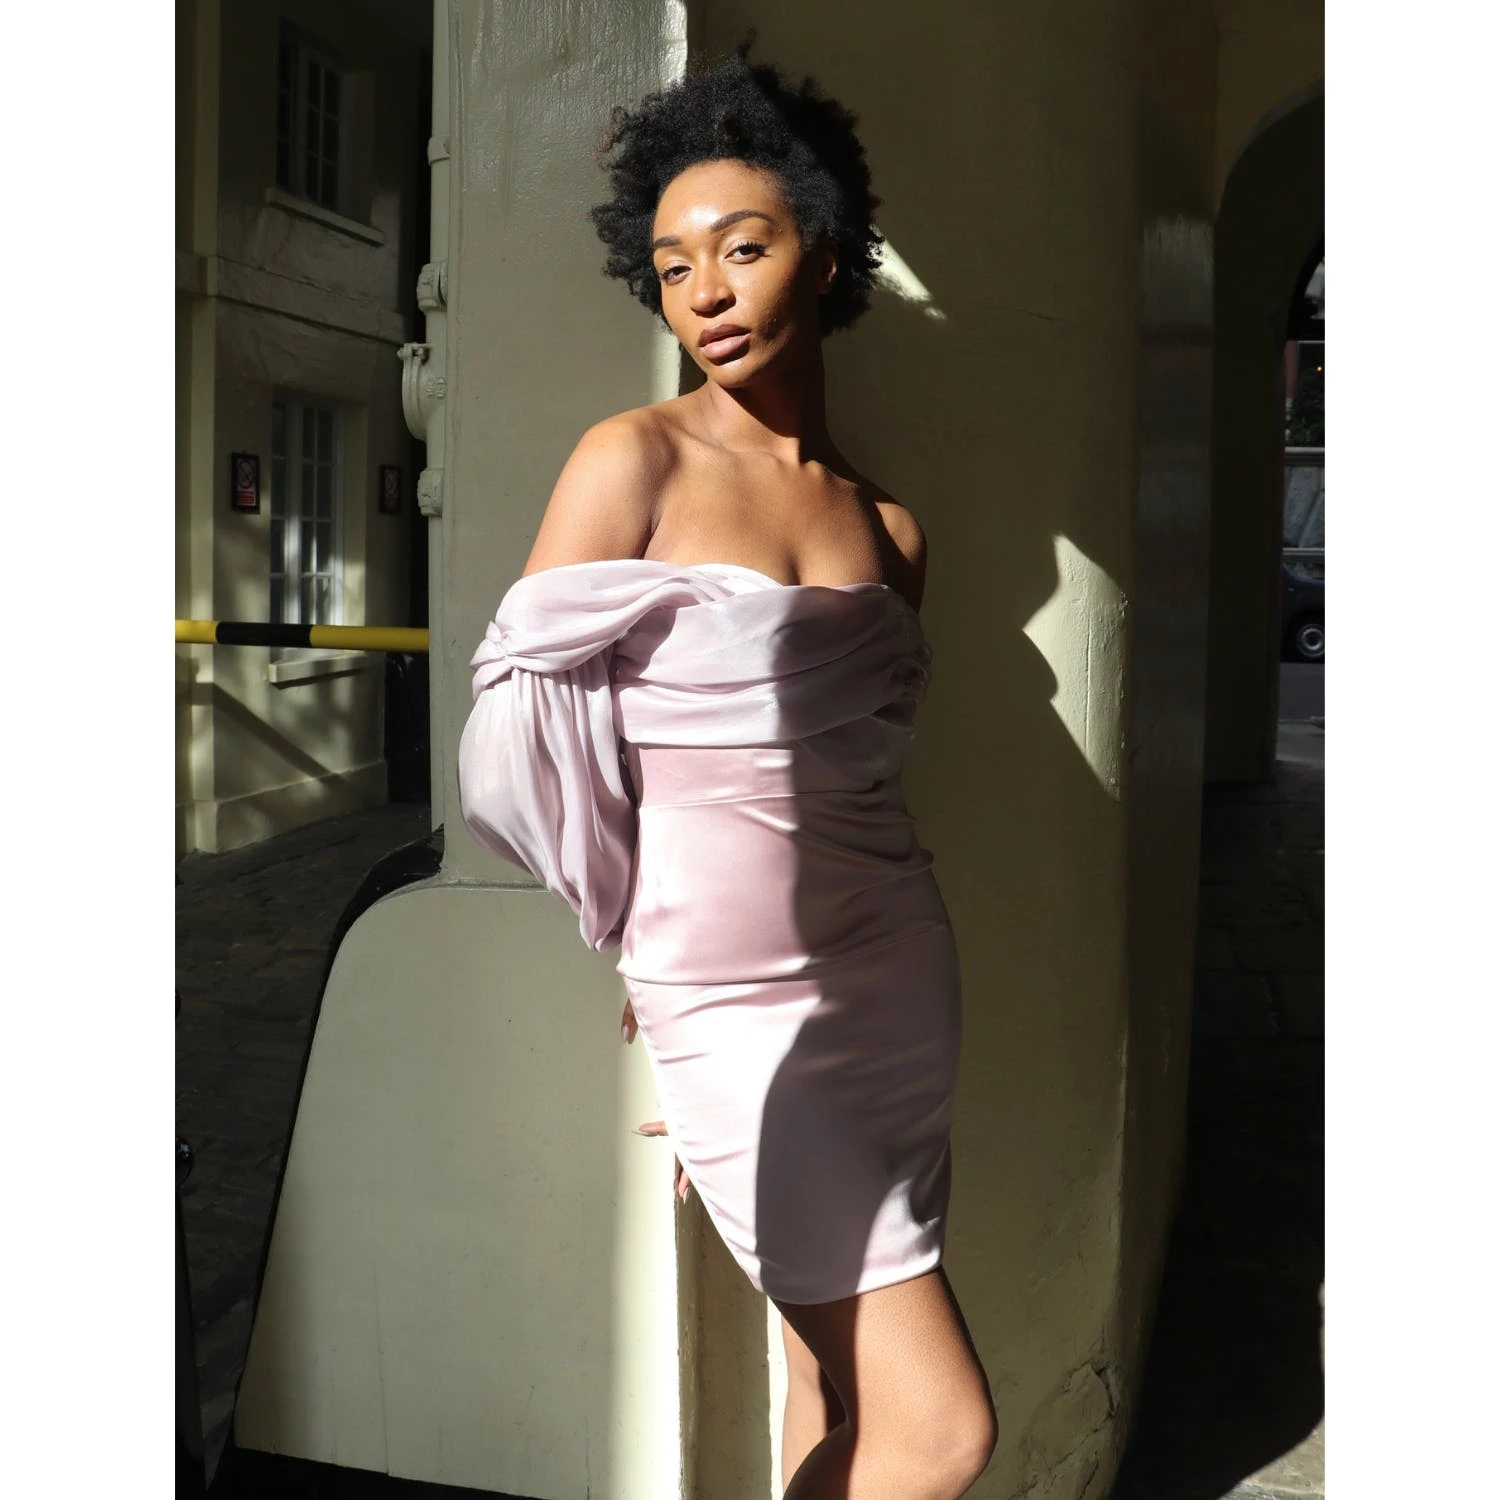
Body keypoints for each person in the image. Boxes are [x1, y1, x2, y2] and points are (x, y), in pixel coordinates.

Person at [457, 50, 996, 1499]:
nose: (703, 291)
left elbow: (861, 774)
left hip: (895, 979)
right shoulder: (629, 462)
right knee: (945, 1434)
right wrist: (657, 948)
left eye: (742, 249)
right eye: (672, 266)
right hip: (733, 1003)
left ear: (824, 252)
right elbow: (515, 749)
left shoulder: (893, 530)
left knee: (833, 1379)